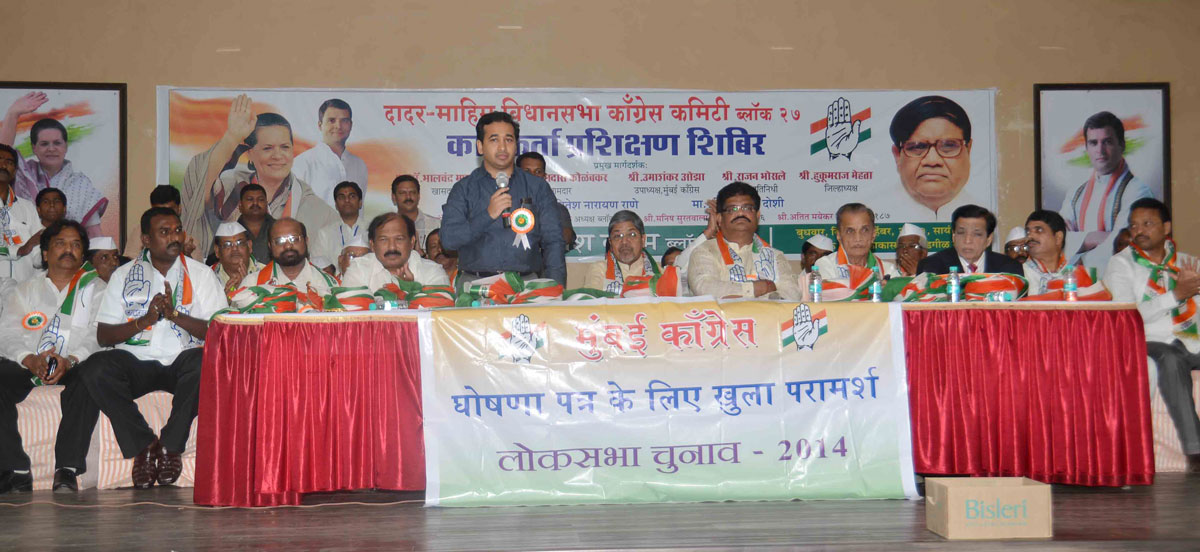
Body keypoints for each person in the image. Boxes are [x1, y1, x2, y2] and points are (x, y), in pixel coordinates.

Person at [84, 207, 227, 489]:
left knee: (205, 360)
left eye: (177, 230)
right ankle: (144, 445)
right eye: (165, 232)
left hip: (182, 361)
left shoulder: (201, 275)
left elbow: (219, 332)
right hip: (137, 361)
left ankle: (170, 446)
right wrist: (146, 320)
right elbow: (104, 336)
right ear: (147, 240)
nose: (174, 237)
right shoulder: (124, 275)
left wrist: (175, 315)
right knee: (95, 368)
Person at [0, 220, 106, 494]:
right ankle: (16, 469)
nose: (68, 250)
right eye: (60, 243)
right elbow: (7, 333)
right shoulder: (24, 290)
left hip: (74, 362)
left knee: (93, 376)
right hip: (30, 362)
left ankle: (67, 469)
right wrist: (28, 358)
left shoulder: (96, 289)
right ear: (45, 253)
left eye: (75, 244)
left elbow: (98, 335)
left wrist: (70, 359)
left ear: (83, 254)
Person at [1103, 198, 1200, 472]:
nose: (1139, 231)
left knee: (1179, 353)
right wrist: (1176, 295)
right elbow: (1127, 317)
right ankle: (1195, 451)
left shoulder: (1187, 262)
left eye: (1148, 224)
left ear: (1167, 227)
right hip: (1147, 340)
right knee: (1170, 359)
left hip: (1192, 339)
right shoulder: (1121, 265)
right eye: (1134, 225)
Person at [180, 94, 337, 262]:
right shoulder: (234, 188)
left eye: (285, 147)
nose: (278, 156)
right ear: (250, 154)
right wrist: (231, 137)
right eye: (267, 148)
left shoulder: (316, 209)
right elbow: (197, 192)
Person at [441, 111, 566, 289]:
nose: (502, 147)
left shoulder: (537, 187)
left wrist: (556, 288)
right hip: (475, 285)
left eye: (508, 140)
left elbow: (553, 241)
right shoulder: (464, 189)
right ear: (480, 146)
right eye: (494, 140)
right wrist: (488, 215)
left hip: (525, 284)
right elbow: (449, 240)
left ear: (516, 145)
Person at [1, 92, 108, 236]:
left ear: (66, 147)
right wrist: (13, 114)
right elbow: (2, 152)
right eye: (44, 144)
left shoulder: (81, 184)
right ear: (34, 148)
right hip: (25, 251)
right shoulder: (21, 173)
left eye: (57, 143)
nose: (51, 149)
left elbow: (94, 233)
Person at [1059, 112, 1155, 269]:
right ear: (1086, 148)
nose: (1100, 150)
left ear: (1122, 145)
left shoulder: (1137, 191)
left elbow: (1124, 245)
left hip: (1122, 280)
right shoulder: (1076, 193)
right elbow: (1058, 239)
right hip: (1079, 283)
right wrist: (1093, 237)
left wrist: (1079, 244)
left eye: (1107, 142)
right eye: (1093, 143)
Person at [687, 182, 800, 300]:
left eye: (747, 208)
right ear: (719, 218)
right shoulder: (705, 251)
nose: (740, 213)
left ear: (757, 216)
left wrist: (753, 299)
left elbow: (792, 292)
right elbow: (705, 288)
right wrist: (757, 288)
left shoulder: (774, 256)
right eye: (732, 209)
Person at [889, 95, 978, 221]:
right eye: (917, 147)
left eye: (948, 146)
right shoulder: (869, 216)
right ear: (897, 155)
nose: (932, 161)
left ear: (968, 150)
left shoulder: (990, 215)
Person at [232, 218, 338, 305]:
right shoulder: (252, 284)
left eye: (294, 239)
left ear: (306, 241)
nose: (287, 246)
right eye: (279, 241)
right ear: (270, 246)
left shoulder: (329, 286)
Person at [292, 99, 369, 210]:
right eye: (332, 120)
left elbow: (360, 210)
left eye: (344, 120)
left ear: (351, 125)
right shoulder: (303, 163)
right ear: (320, 125)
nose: (338, 126)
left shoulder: (359, 164)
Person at [341, 213, 448, 292]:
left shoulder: (432, 271)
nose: (392, 247)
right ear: (372, 245)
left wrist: (411, 289)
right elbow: (351, 316)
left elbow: (439, 317)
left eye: (399, 239)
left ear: (412, 242)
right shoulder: (358, 270)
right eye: (384, 239)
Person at [916, 204, 1023, 275]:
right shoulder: (931, 268)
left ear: (989, 239)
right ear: (953, 236)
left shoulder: (1009, 269)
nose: (967, 240)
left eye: (977, 234)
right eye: (961, 233)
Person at [814, 203, 900, 286]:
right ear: (839, 236)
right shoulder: (825, 265)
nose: (858, 239)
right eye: (850, 231)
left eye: (864, 230)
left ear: (873, 234)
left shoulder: (888, 270)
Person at [584, 210, 668, 294]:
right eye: (617, 236)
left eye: (632, 235)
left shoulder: (660, 274)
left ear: (643, 240)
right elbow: (592, 302)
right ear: (610, 243)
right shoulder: (599, 270)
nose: (624, 241)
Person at [1023, 210, 1094, 295]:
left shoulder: (1081, 276)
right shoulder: (1021, 273)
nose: (1030, 236)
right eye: (1028, 232)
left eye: (1039, 230)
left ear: (1058, 238)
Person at [0, 144, 41, 281]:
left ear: (15, 171)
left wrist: (49, 257)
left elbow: (37, 247)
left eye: (9, 162)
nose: (3, 165)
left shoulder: (27, 207)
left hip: (23, 288)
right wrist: (20, 249)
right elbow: (27, 246)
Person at [312, 181, 364, 272]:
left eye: (352, 196)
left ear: (360, 203)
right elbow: (316, 263)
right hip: (334, 284)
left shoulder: (372, 230)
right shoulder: (324, 233)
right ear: (336, 204)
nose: (347, 200)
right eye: (341, 197)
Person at [16, 187, 68, 270]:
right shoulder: (32, 232)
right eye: (46, 202)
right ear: (38, 210)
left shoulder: (72, 233)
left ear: (64, 209)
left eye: (56, 201)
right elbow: (37, 261)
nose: (52, 204)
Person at [391, 175, 440, 255]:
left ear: (418, 196)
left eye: (412, 192)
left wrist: (421, 254)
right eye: (403, 193)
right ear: (394, 197)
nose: (408, 197)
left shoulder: (437, 225)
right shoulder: (386, 227)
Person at [210, 222, 261, 295]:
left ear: (249, 246)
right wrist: (224, 302)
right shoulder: (207, 277)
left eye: (240, 243)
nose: (234, 248)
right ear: (217, 251)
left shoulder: (267, 273)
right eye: (227, 245)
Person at [150, 185, 198, 258]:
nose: (164, 216)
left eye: (169, 211)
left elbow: (199, 268)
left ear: (179, 209)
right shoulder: (142, 233)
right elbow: (133, 266)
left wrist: (186, 255)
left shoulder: (190, 241)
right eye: (159, 211)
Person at [234, 183, 274, 263]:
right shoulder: (228, 233)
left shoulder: (279, 229)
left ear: (266, 204)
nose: (255, 203)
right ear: (240, 205)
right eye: (250, 199)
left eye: (260, 200)